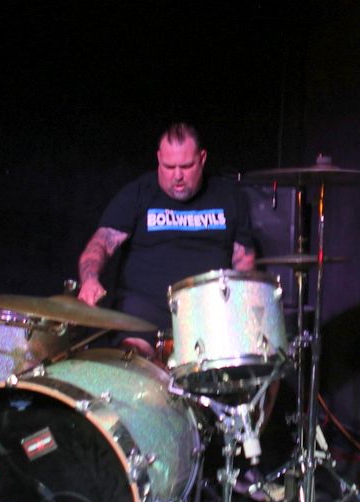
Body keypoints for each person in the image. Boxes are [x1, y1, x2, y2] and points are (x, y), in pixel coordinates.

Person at [76, 122, 256, 358]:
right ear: (159, 159)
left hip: (208, 316)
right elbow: (101, 243)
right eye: (169, 166)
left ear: (202, 159)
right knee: (133, 360)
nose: (177, 176)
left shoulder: (229, 197)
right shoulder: (139, 193)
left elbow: (244, 264)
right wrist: (90, 279)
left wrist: (242, 313)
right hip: (143, 314)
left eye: (186, 166)